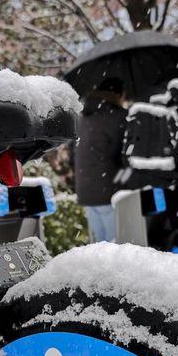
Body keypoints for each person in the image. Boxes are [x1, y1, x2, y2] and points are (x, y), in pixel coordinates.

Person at [73, 78, 126, 243]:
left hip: (86, 189)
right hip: (109, 190)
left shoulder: (84, 116)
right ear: (118, 94)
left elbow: (73, 151)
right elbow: (123, 153)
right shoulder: (117, 117)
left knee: (99, 247)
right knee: (116, 247)